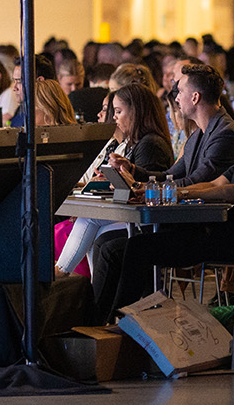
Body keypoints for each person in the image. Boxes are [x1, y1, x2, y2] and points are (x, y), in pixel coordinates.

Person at [90, 73, 234, 322]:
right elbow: (217, 182)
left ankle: (118, 327)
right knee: (116, 249)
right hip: (214, 229)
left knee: (137, 248)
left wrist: (177, 192)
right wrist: (158, 185)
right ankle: (99, 324)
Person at [57, 83, 176, 278]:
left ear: (136, 112)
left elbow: (145, 189)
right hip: (132, 214)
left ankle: (66, 273)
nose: (114, 117)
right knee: (92, 226)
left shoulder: (150, 144)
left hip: (149, 220)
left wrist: (119, 178)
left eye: (118, 111)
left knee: (90, 221)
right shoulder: (135, 143)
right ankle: (93, 288)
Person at [166, 62, 234, 187]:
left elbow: (197, 182)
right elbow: (170, 175)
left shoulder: (227, 135)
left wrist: (150, 189)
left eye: (181, 92)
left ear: (195, 98)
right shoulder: (198, 134)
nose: (177, 98)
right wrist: (135, 174)